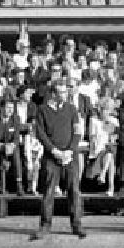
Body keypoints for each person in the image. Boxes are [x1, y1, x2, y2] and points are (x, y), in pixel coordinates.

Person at [32, 79, 85, 239]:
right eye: (61, 92)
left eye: (66, 91)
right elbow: (40, 134)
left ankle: (77, 225)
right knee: (48, 192)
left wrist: (69, 151)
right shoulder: (42, 110)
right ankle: (45, 225)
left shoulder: (72, 109)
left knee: (74, 191)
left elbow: (77, 132)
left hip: (70, 157)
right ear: (53, 93)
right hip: (51, 157)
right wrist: (54, 151)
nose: (65, 94)